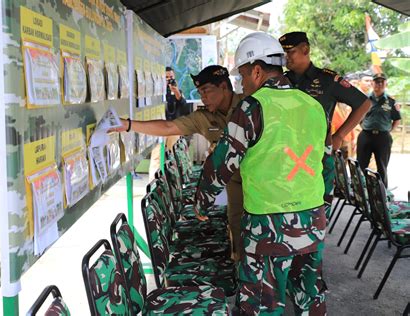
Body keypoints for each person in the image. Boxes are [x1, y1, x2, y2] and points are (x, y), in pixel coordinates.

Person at [194, 32, 328, 315]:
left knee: (261, 304)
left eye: (242, 76)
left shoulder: (253, 106)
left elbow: (222, 163)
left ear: (256, 70)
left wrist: (202, 203)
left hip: (268, 228)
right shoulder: (313, 106)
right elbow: (326, 163)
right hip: (312, 221)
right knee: (310, 298)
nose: (242, 84)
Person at [112, 65, 245, 260]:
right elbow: (169, 126)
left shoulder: (248, 105)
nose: (203, 98)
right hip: (234, 184)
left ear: (224, 86)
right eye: (200, 93)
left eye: (206, 91)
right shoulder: (203, 117)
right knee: (237, 232)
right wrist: (127, 125)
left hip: (260, 183)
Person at [279, 31, 371, 219]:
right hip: (285, 157)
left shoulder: (327, 80)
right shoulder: (281, 82)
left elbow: (364, 104)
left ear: (305, 50)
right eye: (283, 53)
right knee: (287, 215)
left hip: (318, 157)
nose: (286, 57)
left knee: (317, 215)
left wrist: (339, 136)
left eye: (290, 52)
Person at [357, 73, 401, 187]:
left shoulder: (391, 101)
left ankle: (382, 193)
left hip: (383, 137)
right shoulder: (364, 99)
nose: (379, 84)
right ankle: (361, 191)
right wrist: (363, 125)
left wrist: (388, 130)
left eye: (382, 82)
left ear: (386, 84)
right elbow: (358, 116)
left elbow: (397, 119)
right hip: (365, 135)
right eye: (377, 81)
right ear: (372, 83)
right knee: (361, 165)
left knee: (382, 166)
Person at [148, 67, 187, 180]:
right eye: (166, 78)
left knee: (172, 155)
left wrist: (176, 93)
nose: (169, 80)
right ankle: (154, 183)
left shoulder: (178, 92)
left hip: (174, 127)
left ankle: (174, 182)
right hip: (159, 127)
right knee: (156, 157)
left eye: (171, 77)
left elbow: (184, 107)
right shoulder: (156, 92)